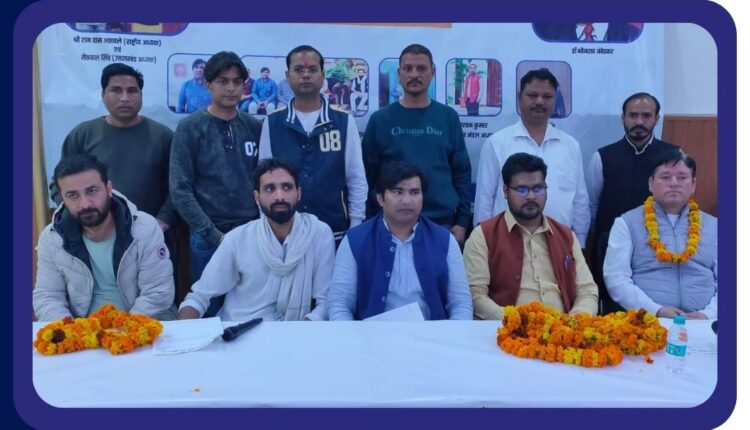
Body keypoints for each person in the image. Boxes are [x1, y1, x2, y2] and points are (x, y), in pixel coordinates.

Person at [178, 159, 334, 321]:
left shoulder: (318, 234)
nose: (279, 196)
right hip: (238, 329)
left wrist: (302, 330)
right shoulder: (238, 239)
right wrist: (182, 332)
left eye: (287, 187)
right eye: (270, 189)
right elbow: (198, 298)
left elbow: (326, 302)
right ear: (257, 197)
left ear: (299, 193)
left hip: (296, 332)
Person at [34, 154, 175, 321]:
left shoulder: (145, 228)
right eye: (73, 195)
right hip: (82, 331)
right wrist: (71, 331)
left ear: (108, 189)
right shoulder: (52, 238)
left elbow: (157, 293)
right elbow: (48, 297)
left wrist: (122, 331)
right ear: (63, 199)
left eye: (92, 191)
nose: (85, 204)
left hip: (141, 326)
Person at [328, 162, 473, 320]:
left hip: (431, 333)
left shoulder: (445, 240)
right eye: (397, 192)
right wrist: (352, 336)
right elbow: (339, 304)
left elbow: (461, 304)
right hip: (371, 334)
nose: (406, 200)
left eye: (414, 192)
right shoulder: (355, 240)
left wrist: (450, 335)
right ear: (380, 198)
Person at [170, 51, 263, 294]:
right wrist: (213, 234)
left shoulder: (254, 127)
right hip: (208, 237)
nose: (231, 88)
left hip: (250, 235)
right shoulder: (190, 127)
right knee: (208, 308)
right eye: (223, 81)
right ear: (208, 84)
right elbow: (180, 188)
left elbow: (264, 182)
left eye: (237, 82)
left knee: (250, 306)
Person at [362, 44, 472, 247]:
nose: (414, 74)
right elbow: (368, 177)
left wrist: (462, 222)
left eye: (421, 68)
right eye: (408, 68)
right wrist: (370, 221)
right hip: (391, 223)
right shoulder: (380, 120)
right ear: (399, 73)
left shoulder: (448, 117)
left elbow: (462, 173)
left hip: (443, 222)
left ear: (433, 72)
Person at [464, 153, 598, 319]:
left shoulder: (566, 236)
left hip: (562, 328)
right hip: (506, 329)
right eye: (522, 190)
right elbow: (475, 295)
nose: (531, 196)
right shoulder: (484, 235)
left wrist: (575, 321)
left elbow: (587, 291)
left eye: (538, 188)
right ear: (505, 191)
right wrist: (513, 321)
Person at [259, 45, 367, 244]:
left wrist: (356, 224)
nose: (306, 75)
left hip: (335, 230)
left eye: (312, 69)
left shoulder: (343, 121)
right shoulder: (273, 122)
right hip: (285, 232)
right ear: (287, 75)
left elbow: (356, 177)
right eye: (298, 70)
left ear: (323, 75)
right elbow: (264, 180)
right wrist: (266, 226)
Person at [51, 63, 175, 233]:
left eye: (132, 91)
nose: (124, 98)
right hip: (92, 233)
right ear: (103, 95)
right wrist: (79, 211)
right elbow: (58, 183)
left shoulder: (163, 136)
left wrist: (164, 219)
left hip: (151, 232)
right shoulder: (83, 134)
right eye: (116, 90)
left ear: (141, 95)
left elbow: (178, 185)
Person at [473, 69, 589, 246]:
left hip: (560, 243)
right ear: (519, 97)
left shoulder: (570, 146)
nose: (539, 101)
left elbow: (580, 200)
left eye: (547, 96)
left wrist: (580, 244)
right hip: (507, 243)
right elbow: (484, 198)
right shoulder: (497, 143)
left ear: (555, 100)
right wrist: (485, 243)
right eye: (532, 95)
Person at [588, 92, 679, 312]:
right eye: (633, 115)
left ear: (656, 119)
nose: (639, 121)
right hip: (611, 247)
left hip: (657, 250)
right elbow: (592, 205)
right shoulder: (602, 157)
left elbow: (679, 204)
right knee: (612, 312)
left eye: (646, 116)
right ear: (623, 118)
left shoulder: (673, 155)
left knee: (655, 309)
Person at [604, 151, 717, 319]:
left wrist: (708, 314)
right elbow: (616, 278)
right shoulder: (626, 223)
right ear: (651, 184)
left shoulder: (716, 226)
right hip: (648, 320)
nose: (674, 183)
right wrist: (655, 310)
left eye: (682, 177)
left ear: (693, 184)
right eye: (665, 177)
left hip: (706, 322)